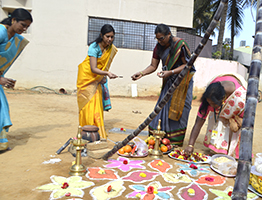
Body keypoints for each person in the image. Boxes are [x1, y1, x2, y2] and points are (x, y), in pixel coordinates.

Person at [131, 24, 195, 146]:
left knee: (179, 109)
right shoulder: (158, 48)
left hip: (182, 82)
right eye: (157, 39)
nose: (160, 41)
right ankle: (160, 138)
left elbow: (188, 65)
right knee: (162, 108)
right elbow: (153, 66)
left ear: (169, 35)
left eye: (162, 38)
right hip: (168, 82)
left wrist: (170, 72)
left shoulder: (180, 45)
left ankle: (174, 141)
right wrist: (141, 73)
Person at [184, 73, 247, 159]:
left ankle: (232, 150)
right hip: (217, 92)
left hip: (234, 97)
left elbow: (246, 122)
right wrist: (190, 145)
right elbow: (198, 123)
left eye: (213, 104)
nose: (211, 105)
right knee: (216, 120)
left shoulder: (240, 97)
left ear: (223, 99)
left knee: (232, 125)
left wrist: (236, 122)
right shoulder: (208, 98)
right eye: (209, 103)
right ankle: (217, 147)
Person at [77, 24, 118, 139]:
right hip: (86, 78)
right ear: (101, 35)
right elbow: (93, 68)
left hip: (97, 78)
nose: (109, 39)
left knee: (96, 104)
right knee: (87, 104)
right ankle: (86, 132)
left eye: (112, 37)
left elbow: (103, 66)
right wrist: (107, 73)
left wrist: (104, 74)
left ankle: (97, 132)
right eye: (107, 36)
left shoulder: (110, 48)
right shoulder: (94, 47)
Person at [0, 8, 33, 151]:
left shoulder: (14, 38)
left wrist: (3, 79)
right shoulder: (0, 32)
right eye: (23, 25)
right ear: (13, 20)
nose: (24, 29)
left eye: (27, 27)